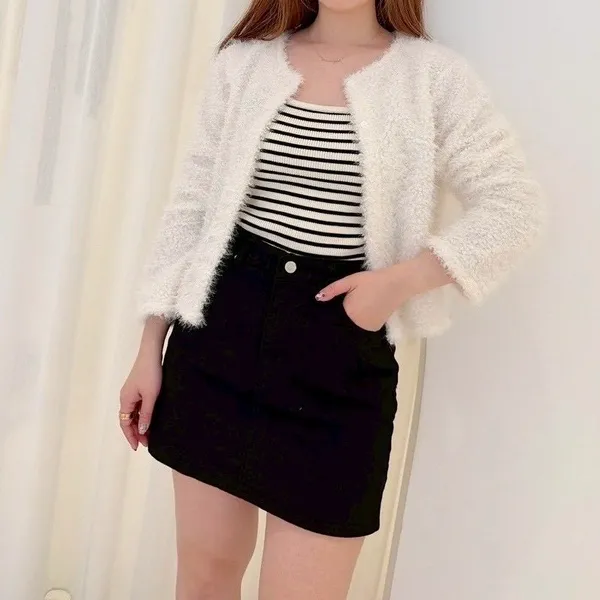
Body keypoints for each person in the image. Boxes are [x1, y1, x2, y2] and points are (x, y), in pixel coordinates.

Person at [119, 0, 545, 598]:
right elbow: (191, 210)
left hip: (337, 362)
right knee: (204, 579)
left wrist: (396, 283)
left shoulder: (432, 78)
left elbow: (514, 207)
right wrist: (149, 347)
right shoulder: (244, 64)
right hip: (217, 345)